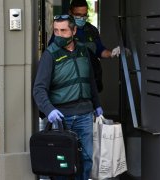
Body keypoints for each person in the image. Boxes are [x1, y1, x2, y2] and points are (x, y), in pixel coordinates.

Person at [33, 14, 103, 180]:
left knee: (86, 159)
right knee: (61, 163)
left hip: (85, 116)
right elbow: (39, 89)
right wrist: (49, 110)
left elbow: (91, 80)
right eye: (56, 31)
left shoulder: (83, 50)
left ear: (74, 31)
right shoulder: (50, 55)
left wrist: (97, 105)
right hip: (61, 117)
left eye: (63, 31)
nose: (59, 35)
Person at [48, 0, 122, 93]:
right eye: (78, 15)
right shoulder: (62, 30)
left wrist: (112, 53)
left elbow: (99, 50)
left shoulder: (91, 30)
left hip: (90, 79)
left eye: (84, 15)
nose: (82, 18)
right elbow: (51, 53)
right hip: (69, 80)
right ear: (70, 12)